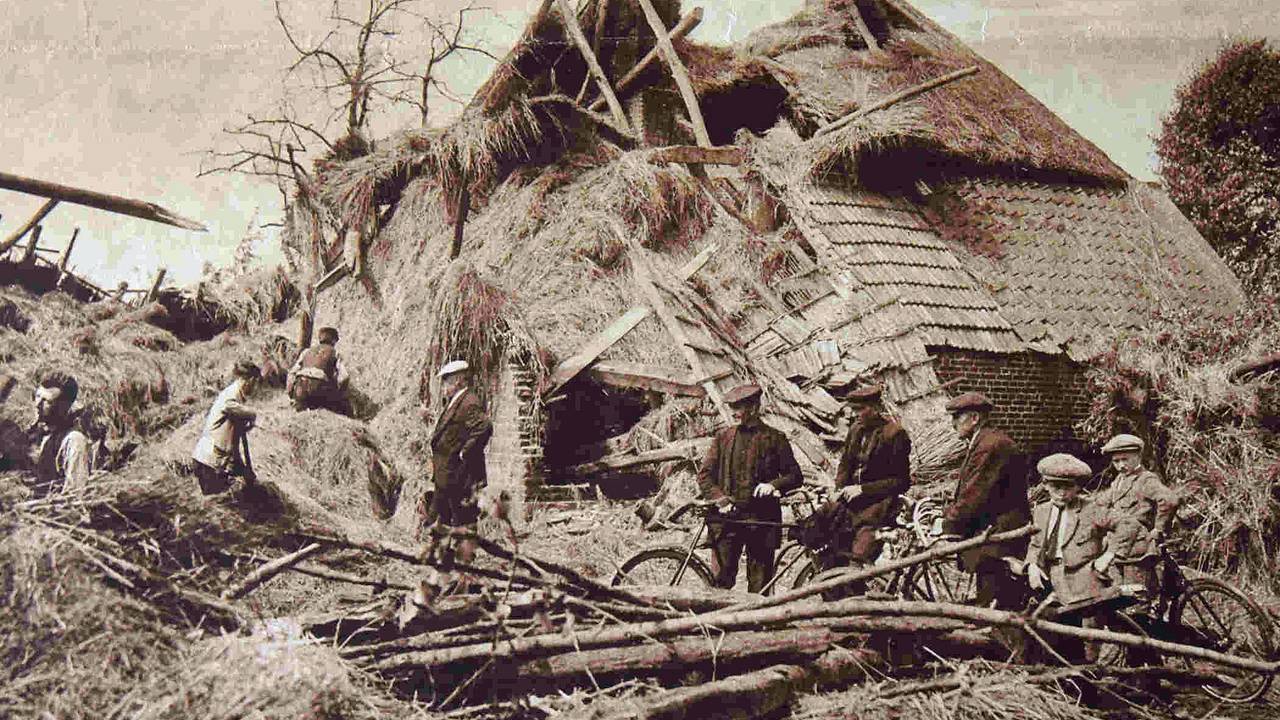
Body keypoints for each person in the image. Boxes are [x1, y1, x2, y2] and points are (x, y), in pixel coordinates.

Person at [696, 384, 803, 592]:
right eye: (732, 407)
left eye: (738, 408)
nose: (733, 413)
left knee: (760, 586)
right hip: (726, 520)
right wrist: (720, 499)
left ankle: (758, 623)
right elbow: (704, 476)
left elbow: (795, 476)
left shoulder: (775, 438)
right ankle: (719, 623)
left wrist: (773, 485)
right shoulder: (723, 438)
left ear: (753, 408)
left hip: (761, 520)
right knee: (720, 583)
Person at [1017, 453, 1113, 663]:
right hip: (1052, 575)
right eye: (1055, 487)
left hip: (1083, 576)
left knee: (1088, 631)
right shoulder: (1041, 511)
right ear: (1046, 485)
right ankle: (1059, 674)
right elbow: (1035, 544)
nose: (1061, 493)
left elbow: (1127, 527)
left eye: (1067, 488)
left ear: (1077, 487)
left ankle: (1089, 675)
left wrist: (1109, 555)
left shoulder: (1091, 509)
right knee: (1052, 627)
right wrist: (1032, 564)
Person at [939, 392, 1031, 610]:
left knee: (996, 601)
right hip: (991, 531)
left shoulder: (991, 445)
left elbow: (974, 494)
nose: (952, 424)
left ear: (974, 418)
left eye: (957, 417)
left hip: (1000, 533)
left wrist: (947, 525)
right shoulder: (984, 441)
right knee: (991, 597)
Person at [825, 384, 911, 569]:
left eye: (860, 409)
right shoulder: (856, 430)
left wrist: (863, 489)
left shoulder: (894, 434)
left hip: (878, 507)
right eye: (853, 410)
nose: (855, 414)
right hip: (850, 504)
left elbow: (902, 482)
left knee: (858, 557)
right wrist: (838, 490)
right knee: (829, 548)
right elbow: (845, 464)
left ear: (875, 408)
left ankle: (856, 589)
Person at [424, 360, 492, 565]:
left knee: (463, 519)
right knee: (441, 516)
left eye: (446, 382)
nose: (443, 387)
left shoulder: (469, 401)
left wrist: (465, 452)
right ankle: (442, 559)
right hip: (448, 474)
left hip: (461, 475)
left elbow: (484, 427)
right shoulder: (456, 401)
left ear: (459, 381)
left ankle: (465, 564)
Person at [1094, 434, 1180, 595]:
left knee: (1137, 599)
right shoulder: (1119, 480)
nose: (1121, 465)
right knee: (1118, 598)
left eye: (1125, 459)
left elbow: (1169, 500)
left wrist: (1159, 529)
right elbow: (1101, 501)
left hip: (1137, 549)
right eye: (1116, 461)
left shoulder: (1145, 480)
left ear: (1138, 457)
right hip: (1118, 546)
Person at [192, 359, 261, 495]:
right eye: (256, 383)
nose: (256, 388)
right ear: (251, 380)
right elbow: (228, 406)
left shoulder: (238, 398)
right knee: (214, 507)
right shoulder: (231, 394)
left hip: (214, 461)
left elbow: (234, 443)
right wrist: (252, 414)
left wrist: (244, 469)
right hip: (209, 461)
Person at [27, 371, 92, 497]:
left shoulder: (74, 441)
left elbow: (75, 496)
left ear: (63, 407)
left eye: (47, 401)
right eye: (37, 396)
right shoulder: (38, 434)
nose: (37, 404)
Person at [287, 326, 351, 415]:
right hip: (319, 389)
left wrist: (291, 394)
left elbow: (291, 374)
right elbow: (344, 377)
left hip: (300, 387)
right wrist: (339, 394)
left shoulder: (307, 351)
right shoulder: (335, 353)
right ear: (333, 340)